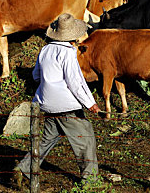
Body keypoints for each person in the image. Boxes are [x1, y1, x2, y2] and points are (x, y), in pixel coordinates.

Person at [14, 12, 101, 188]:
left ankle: (24, 168)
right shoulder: (68, 52)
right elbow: (75, 82)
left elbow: (36, 75)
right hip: (66, 106)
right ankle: (90, 181)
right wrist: (90, 103)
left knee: (47, 139)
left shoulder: (45, 49)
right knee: (86, 138)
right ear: (73, 36)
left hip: (45, 103)